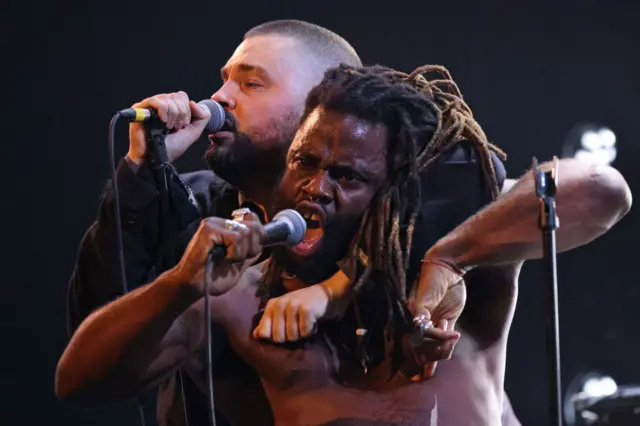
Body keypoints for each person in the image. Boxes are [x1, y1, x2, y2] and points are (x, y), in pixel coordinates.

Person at [56, 64, 631, 425]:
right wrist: (177, 283)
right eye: (304, 163)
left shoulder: (464, 270)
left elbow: (603, 189)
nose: (316, 189)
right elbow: (79, 382)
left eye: (348, 178)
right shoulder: (242, 294)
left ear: (397, 194)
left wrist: (446, 259)